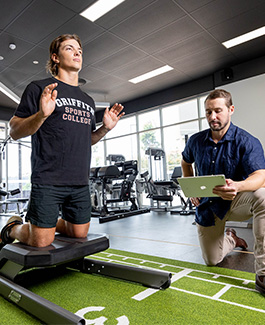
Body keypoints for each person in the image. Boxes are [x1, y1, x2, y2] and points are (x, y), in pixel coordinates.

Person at [0, 34, 124, 248]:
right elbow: (13, 131)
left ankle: (44, 224)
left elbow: (88, 140)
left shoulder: (88, 100)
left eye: (80, 50)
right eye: (70, 48)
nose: (77, 53)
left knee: (79, 233)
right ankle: (12, 229)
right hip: (48, 178)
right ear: (55, 58)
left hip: (79, 181)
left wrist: (105, 128)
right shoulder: (39, 88)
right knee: (41, 241)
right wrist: (41, 115)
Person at [181, 89, 265, 295]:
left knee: (263, 196)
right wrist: (190, 185)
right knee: (212, 260)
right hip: (209, 207)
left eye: (218, 111)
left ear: (231, 109)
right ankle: (232, 239)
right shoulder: (195, 141)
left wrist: (237, 186)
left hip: (237, 202)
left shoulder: (247, 141)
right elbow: (185, 161)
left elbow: (260, 176)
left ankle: (263, 272)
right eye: (208, 112)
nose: (213, 117)